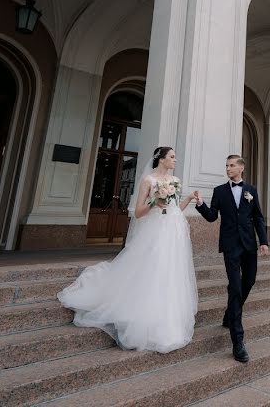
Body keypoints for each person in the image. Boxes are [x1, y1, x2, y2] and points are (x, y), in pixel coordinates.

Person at [57, 146, 200, 353]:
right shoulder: (148, 181)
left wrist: (188, 199)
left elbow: (175, 208)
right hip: (155, 232)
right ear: (161, 159)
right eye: (172, 157)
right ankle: (143, 315)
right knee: (152, 271)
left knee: (170, 272)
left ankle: (167, 318)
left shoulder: (176, 181)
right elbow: (140, 212)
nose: (175, 160)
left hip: (173, 231)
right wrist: (154, 202)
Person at [195, 155, 269, 363]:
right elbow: (211, 216)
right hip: (230, 246)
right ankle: (238, 342)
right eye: (226, 165)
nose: (228, 168)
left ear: (241, 168)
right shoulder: (219, 191)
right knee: (235, 287)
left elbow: (258, 217)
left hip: (249, 245)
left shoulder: (251, 190)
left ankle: (230, 313)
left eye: (232, 165)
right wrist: (200, 204)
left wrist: (263, 241)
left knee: (249, 281)